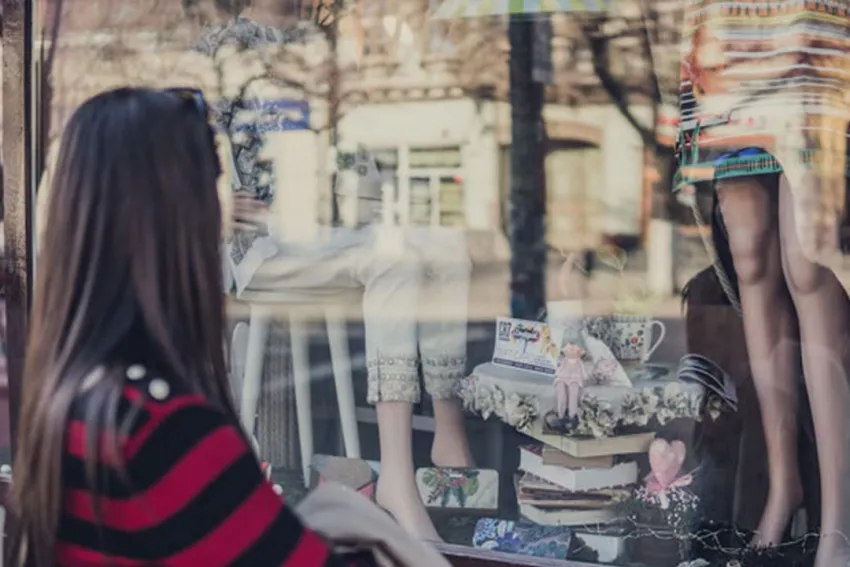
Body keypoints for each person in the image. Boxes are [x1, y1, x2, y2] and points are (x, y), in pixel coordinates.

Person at [5, 87, 397, 567]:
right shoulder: (166, 432)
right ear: (181, 221)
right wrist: (357, 519)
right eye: (214, 188)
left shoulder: (69, 399)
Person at [198, 1, 475, 541]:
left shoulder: (325, 47)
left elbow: (353, 150)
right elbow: (182, 152)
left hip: (333, 228)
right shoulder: (218, 48)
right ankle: (396, 477)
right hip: (264, 246)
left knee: (446, 244)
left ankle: (449, 424)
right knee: (392, 258)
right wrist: (217, 200)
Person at [675, 2, 850, 566]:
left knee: (807, 259)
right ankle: (782, 486)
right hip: (732, 20)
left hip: (811, 18)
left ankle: (838, 519)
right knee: (748, 251)